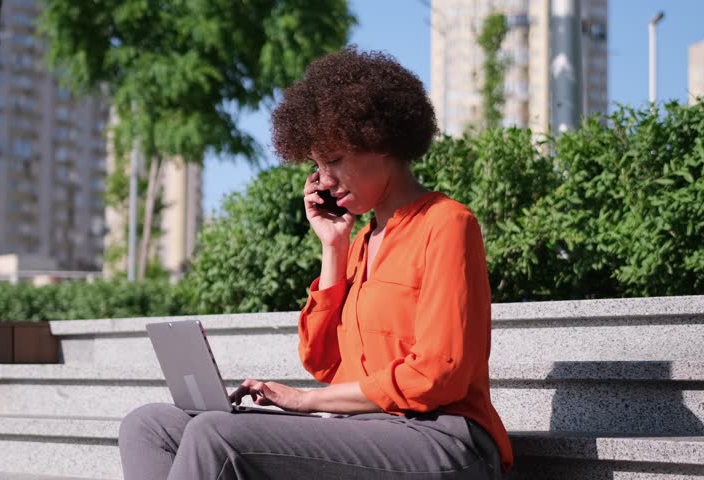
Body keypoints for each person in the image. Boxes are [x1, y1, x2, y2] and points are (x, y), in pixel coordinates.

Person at [118, 46, 512, 480]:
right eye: (317, 165)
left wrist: (306, 401)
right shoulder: (362, 243)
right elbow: (323, 361)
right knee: (150, 426)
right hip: (366, 432)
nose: (322, 180)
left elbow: (440, 375)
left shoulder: (447, 224)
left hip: (445, 440)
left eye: (334, 160)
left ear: (378, 139)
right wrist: (334, 247)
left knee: (218, 435)